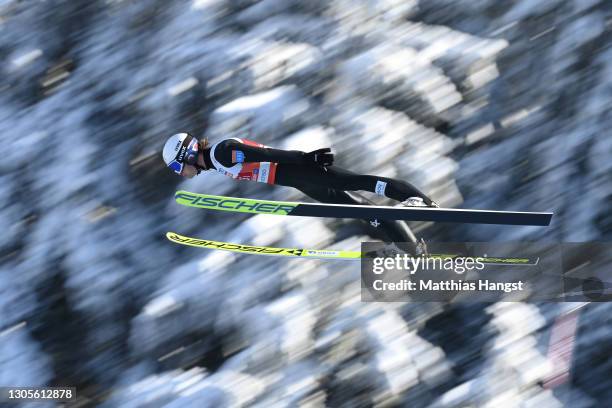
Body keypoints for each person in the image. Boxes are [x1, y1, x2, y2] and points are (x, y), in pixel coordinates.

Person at [162, 132, 438, 250]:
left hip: (301, 170)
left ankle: (420, 201)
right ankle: (414, 250)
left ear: (185, 155)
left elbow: (266, 152)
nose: (180, 174)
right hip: (297, 180)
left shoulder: (222, 151)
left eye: (177, 168)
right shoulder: (215, 161)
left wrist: (307, 159)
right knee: (365, 212)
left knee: (358, 182)